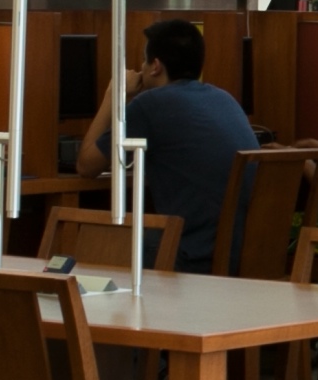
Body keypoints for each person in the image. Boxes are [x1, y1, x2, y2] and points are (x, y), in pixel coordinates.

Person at [85, 17, 256, 271]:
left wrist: (114, 94)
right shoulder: (224, 99)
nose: (140, 69)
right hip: (240, 254)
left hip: (191, 256)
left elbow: (86, 165)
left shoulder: (151, 104)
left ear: (155, 66)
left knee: (89, 238)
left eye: (144, 61)